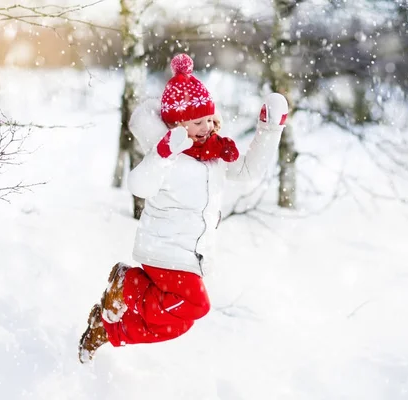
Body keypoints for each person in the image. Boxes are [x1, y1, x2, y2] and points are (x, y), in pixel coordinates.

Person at [78, 53, 288, 363]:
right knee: (196, 307)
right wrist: (163, 154)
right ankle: (129, 285)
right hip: (163, 249)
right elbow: (139, 186)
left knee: (178, 323)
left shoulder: (212, 153)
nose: (206, 127)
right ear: (178, 124)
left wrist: (270, 130)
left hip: (189, 255)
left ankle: (107, 331)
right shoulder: (168, 155)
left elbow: (246, 173)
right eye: (197, 122)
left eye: (208, 119)